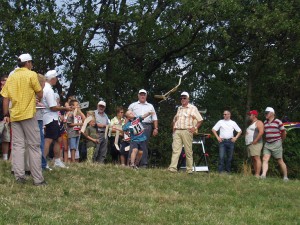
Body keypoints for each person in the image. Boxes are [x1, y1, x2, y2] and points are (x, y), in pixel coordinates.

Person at [0, 53, 46, 185]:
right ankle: (38, 179)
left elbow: (5, 97)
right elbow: (39, 92)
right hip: (28, 114)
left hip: (14, 115)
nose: (32, 65)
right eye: (31, 62)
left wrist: (6, 114)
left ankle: (19, 176)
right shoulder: (31, 75)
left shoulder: (12, 77)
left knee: (17, 146)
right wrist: (39, 97)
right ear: (28, 63)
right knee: (34, 146)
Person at [168, 92, 203, 174]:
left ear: (188, 99)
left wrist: (194, 128)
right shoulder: (179, 108)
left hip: (187, 131)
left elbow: (200, 120)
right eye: (181, 98)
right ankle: (172, 168)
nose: (182, 99)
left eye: (184, 98)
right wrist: (174, 129)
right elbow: (175, 120)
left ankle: (189, 169)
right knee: (176, 150)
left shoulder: (193, 108)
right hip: (177, 131)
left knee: (188, 151)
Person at [42, 70, 72, 169]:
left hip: (51, 118)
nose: (57, 80)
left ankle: (57, 160)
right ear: (52, 78)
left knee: (58, 139)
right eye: (56, 78)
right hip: (50, 118)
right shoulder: (49, 90)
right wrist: (65, 108)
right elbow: (53, 107)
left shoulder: (45, 88)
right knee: (48, 140)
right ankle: (43, 163)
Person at [128, 89, 158, 168]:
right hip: (135, 125)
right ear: (138, 95)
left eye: (144, 94)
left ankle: (143, 164)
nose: (142, 96)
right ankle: (131, 163)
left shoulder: (150, 106)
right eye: (141, 94)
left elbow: (154, 118)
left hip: (147, 126)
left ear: (146, 96)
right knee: (133, 144)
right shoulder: (133, 105)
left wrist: (156, 128)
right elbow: (127, 116)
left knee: (144, 145)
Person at [261, 107, 288, 180]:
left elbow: (283, 132)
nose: (265, 114)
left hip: (276, 143)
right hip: (268, 143)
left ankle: (285, 177)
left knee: (280, 160)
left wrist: (281, 141)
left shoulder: (278, 121)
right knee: (265, 159)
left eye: (267, 113)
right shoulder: (265, 122)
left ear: (272, 113)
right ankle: (263, 175)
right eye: (265, 113)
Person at [245, 110, 264, 177]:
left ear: (254, 115)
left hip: (256, 143)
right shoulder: (251, 124)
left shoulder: (258, 122)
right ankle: (256, 173)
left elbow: (261, 132)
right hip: (250, 144)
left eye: (250, 115)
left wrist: (256, 140)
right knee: (253, 158)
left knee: (257, 157)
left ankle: (257, 174)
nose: (249, 116)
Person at [0, 74, 10, 161]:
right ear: (2, 82)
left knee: (6, 139)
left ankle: (5, 158)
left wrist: (7, 116)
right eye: (7, 80)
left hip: (6, 119)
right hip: (0, 119)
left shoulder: (9, 92)